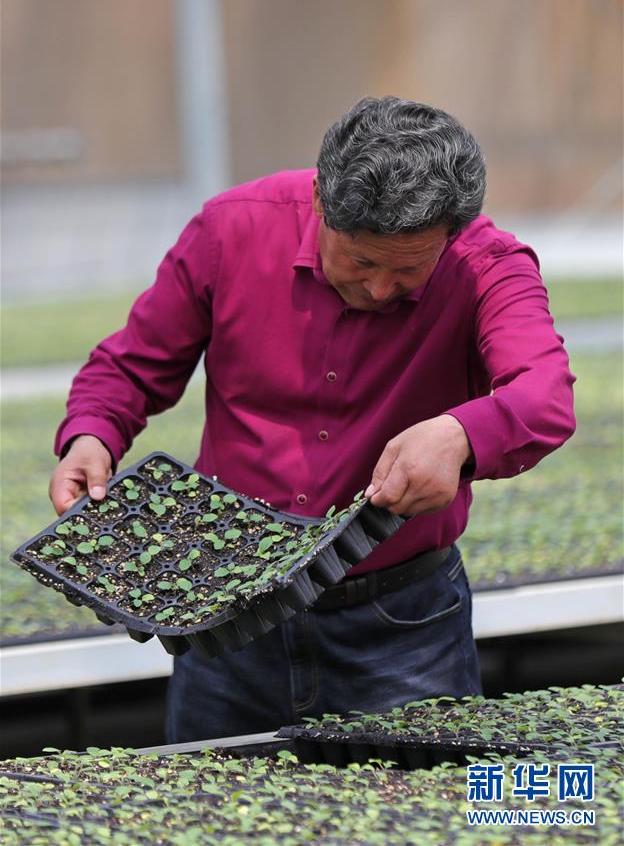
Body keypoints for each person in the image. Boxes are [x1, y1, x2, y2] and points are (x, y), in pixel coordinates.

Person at [49, 97, 575, 743]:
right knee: (211, 799)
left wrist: (462, 434)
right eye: (361, 261)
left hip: (400, 629)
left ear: (450, 234)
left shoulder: (486, 264)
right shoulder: (231, 230)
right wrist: (91, 435)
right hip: (226, 621)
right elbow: (131, 364)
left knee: (423, 803)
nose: (380, 288)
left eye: (409, 268)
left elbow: (544, 394)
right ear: (323, 202)